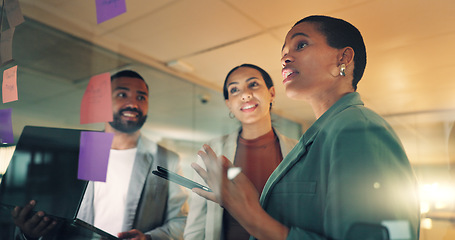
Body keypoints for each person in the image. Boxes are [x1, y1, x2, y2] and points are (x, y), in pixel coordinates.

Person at [192, 15, 420, 240]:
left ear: (344, 57)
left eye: (300, 45)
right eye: (283, 53)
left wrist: (251, 215)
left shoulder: (359, 129)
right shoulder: (319, 137)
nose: (285, 58)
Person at [11, 70, 189, 240]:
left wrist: (149, 238)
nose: (133, 104)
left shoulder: (166, 159)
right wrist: (29, 233)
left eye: (141, 97)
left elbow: (181, 220)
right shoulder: (77, 151)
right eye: (122, 94)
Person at [184, 64, 297, 240]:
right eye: (235, 89)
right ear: (229, 104)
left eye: (253, 84)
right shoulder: (212, 152)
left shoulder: (299, 151)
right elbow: (196, 225)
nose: (245, 94)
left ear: (272, 93)